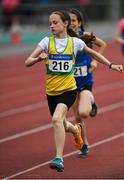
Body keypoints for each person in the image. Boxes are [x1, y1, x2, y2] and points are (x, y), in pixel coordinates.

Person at [25, 10, 123, 172]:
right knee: (63, 124)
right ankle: (76, 130)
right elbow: (27, 61)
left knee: (57, 119)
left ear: (65, 24)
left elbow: (94, 54)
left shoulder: (76, 43)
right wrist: (37, 59)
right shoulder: (46, 42)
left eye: (55, 22)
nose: (51, 25)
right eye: (50, 23)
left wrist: (111, 65)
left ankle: (58, 158)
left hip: (70, 89)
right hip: (52, 91)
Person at [69, 8, 107, 156]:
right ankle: (84, 143)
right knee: (77, 117)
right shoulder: (63, 39)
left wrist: (96, 62)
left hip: (85, 81)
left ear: (79, 23)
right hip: (70, 83)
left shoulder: (85, 36)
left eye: (74, 20)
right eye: (69, 20)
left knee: (83, 113)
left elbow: (103, 45)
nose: (71, 23)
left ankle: (91, 100)